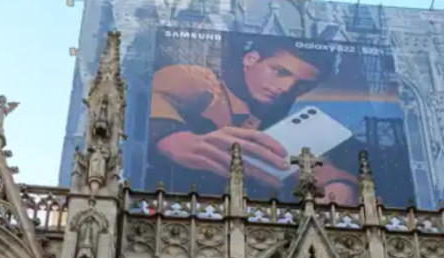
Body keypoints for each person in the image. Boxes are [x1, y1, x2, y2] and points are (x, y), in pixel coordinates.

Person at [148, 34, 359, 203]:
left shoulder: (280, 118)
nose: (286, 88)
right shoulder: (201, 80)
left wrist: (339, 184)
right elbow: (153, 92)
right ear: (251, 59)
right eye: (280, 71)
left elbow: (304, 163)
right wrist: (170, 136)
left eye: (303, 85)